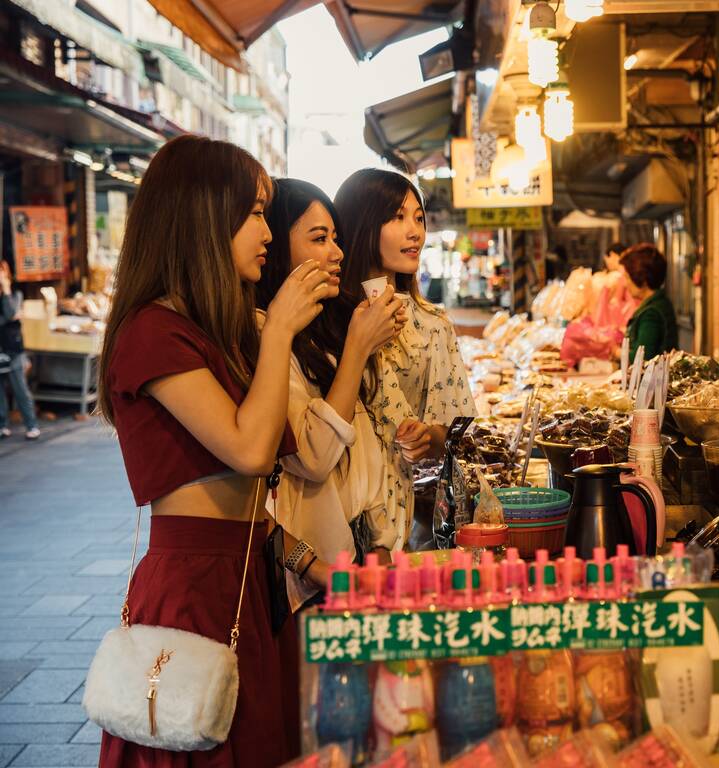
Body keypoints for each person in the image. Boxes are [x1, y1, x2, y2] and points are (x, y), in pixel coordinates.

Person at [96, 135, 331, 766]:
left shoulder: (210, 333)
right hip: (193, 587)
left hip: (246, 577)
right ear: (204, 218)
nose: (267, 230)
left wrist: (314, 565)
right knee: (198, 739)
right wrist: (279, 325)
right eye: (254, 212)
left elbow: (247, 502)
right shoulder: (152, 332)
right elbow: (251, 453)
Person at [254, 178, 407, 565]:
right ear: (274, 250)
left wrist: (380, 542)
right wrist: (358, 347)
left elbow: (361, 449)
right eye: (320, 239)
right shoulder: (263, 336)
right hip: (312, 568)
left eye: (336, 238)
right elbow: (314, 457)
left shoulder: (324, 326)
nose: (337, 252)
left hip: (360, 550)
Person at [334, 168, 477, 548]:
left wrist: (427, 437)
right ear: (361, 222)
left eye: (418, 218)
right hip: (328, 507)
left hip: (398, 514)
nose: (415, 231)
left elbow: (455, 431)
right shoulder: (322, 318)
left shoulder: (432, 324)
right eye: (397, 217)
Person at [0, 260, 39, 439]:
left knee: (20, 388)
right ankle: (2, 425)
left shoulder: (15, 294)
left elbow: (9, 313)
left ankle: (31, 425)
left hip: (13, 349)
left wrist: (6, 288)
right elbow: (10, 317)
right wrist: (11, 318)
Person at [620, 243, 678, 360]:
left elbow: (641, 359)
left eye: (627, 277)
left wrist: (615, 352)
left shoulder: (651, 313)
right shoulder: (659, 302)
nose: (625, 284)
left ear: (643, 278)